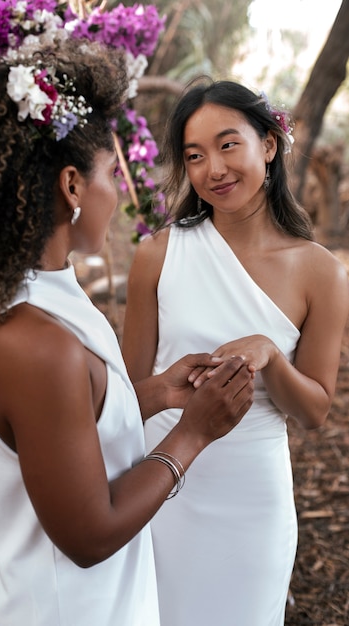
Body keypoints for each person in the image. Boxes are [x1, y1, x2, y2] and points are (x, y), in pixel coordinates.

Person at [0, 39, 254, 626]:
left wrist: (154, 393)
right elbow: (88, 534)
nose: (123, 192)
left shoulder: (50, 292)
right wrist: (193, 433)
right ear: (73, 186)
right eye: (114, 171)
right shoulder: (31, 338)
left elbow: (71, 421)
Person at [122, 78, 349, 626]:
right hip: (162, 487)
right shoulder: (157, 255)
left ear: (268, 145)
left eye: (228, 145)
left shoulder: (321, 271)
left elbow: (315, 411)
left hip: (253, 500)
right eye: (194, 156)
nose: (213, 170)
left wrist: (272, 353)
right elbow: (129, 397)